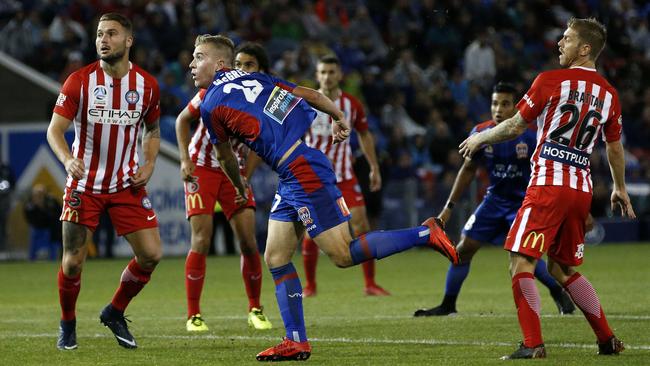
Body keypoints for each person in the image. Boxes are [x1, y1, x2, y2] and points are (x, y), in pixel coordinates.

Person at [190, 34, 458, 362]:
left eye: (198, 57)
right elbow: (311, 94)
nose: (191, 64)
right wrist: (338, 117)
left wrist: (238, 185)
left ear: (219, 64)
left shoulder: (210, 103)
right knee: (275, 255)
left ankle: (425, 233)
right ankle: (296, 341)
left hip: (302, 172)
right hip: (293, 173)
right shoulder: (255, 78)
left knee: (344, 254)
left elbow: (226, 157)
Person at [459, 17, 636, 359]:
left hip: (548, 185)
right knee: (563, 268)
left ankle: (532, 344)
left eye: (567, 39)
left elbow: (513, 126)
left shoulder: (551, 81)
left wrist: (479, 137)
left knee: (521, 262)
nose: (560, 43)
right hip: (580, 189)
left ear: (585, 49)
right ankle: (607, 339)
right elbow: (614, 147)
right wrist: (619, 187)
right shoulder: (609, 95)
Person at [47, 13, 162, 350]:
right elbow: (54, 130)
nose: (103, 39)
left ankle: (114, 311)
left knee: (152, 255)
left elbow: (153, 130)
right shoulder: (79, 81)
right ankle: (68, 323)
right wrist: (68, 159)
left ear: (128, 41)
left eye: (111, 33)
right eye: (99, 34)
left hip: (127, 184)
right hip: (85, 186)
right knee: (72, 262)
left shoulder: (147, 86)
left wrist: (151, 161)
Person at [414, 82, 575, 317]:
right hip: (494, 201)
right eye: (494, 103)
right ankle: (448, 305)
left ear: (517, 107)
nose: (498, 109)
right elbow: (468, 170)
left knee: (525, 255)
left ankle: (557, 292)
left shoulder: (531, 136)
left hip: (524, 203)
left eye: (505, 103)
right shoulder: (481, 133)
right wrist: (448, 207)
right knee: (463, 248)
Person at [175, 41, 271, 332]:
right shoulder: (211, 90)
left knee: (248, 241)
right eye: (238, 64)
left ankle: (255, 309)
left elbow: (258, 146)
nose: (241, 69)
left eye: (249, 65)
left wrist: (246, 175)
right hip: (202, 168)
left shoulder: (261, 101)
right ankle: (194, 315)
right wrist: (184, 160)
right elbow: (182, 120)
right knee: (201, 240)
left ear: (261, 71)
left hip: (233, 172)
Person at [302, 55, 389, 297]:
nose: (328, 76)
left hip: (345, 177)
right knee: (312, 232)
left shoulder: (352, 104)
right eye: (323, 72)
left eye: (332, 71)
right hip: (314, 179)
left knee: (361, 225)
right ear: (317, 76)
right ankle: (310, 285)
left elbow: (364, 134)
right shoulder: (306, 104)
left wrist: (374, 167)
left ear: (339, 75)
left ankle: (370, 283)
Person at [24, 184, 61, 261]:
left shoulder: (51, 201)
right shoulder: (30, 204)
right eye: (37, 193)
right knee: (34, 241)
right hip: (36, 227)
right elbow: (28, 216)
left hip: (50, 227)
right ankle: (32, 259)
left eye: (41, 193)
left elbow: (57, 213)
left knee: (53, 242)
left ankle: (53, 259)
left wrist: (43, 207)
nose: (39, 195)